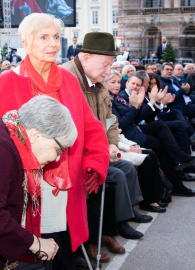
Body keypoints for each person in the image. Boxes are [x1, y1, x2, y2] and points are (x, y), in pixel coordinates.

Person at [0, 13, 110, 270]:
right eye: (43, 37)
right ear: (26, 43)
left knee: (62, 250)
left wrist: (96, 160)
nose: (52, 44)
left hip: (67, 186)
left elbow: (93, 127)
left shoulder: (70, 81)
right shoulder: (5, 82)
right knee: (32, 255)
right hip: (24, 190)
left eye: (55, 37)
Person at [62, 32, 150, 262]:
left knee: (112, 177)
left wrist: (111, 144)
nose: (109, 71)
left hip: (97, 151)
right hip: (73, 156)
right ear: (86, 57)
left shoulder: (98, 81)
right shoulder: (67, 78)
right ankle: (85, 246)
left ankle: (103, 235)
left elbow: (110, 119)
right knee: (106, 182)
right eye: (106, 64)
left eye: (112, 65)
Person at [0, 95, 79, 269]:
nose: (57, 158)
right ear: (35, 134)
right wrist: (35, 243)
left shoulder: (6, 134)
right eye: (59, 149)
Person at [112, 73, 195, 197]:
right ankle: (176, 170)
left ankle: (179, 164)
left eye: (138, 84)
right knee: (161, 137)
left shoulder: (120, 98)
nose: (135, 87)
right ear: (126, 83)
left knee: (164, 129)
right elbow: (125, 123)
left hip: (136, 130)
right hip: (127, 136)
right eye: (133, 84)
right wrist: (142, 105)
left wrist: (156, 102)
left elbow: (137, 118)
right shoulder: (119, 98)